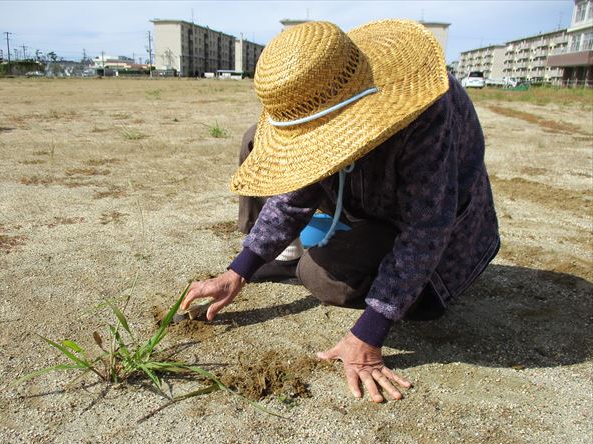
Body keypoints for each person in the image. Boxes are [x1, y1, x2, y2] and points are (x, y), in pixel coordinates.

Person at [182, 20, 500, 403]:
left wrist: (369, 333)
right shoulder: (324, 98)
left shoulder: (426, 107)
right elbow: (296, 189)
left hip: (431, 224)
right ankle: (282, 253)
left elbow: (428, 227)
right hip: (363, 193)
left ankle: (317, 261)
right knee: (256, 139)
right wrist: (237, 271)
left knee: (320, 278)